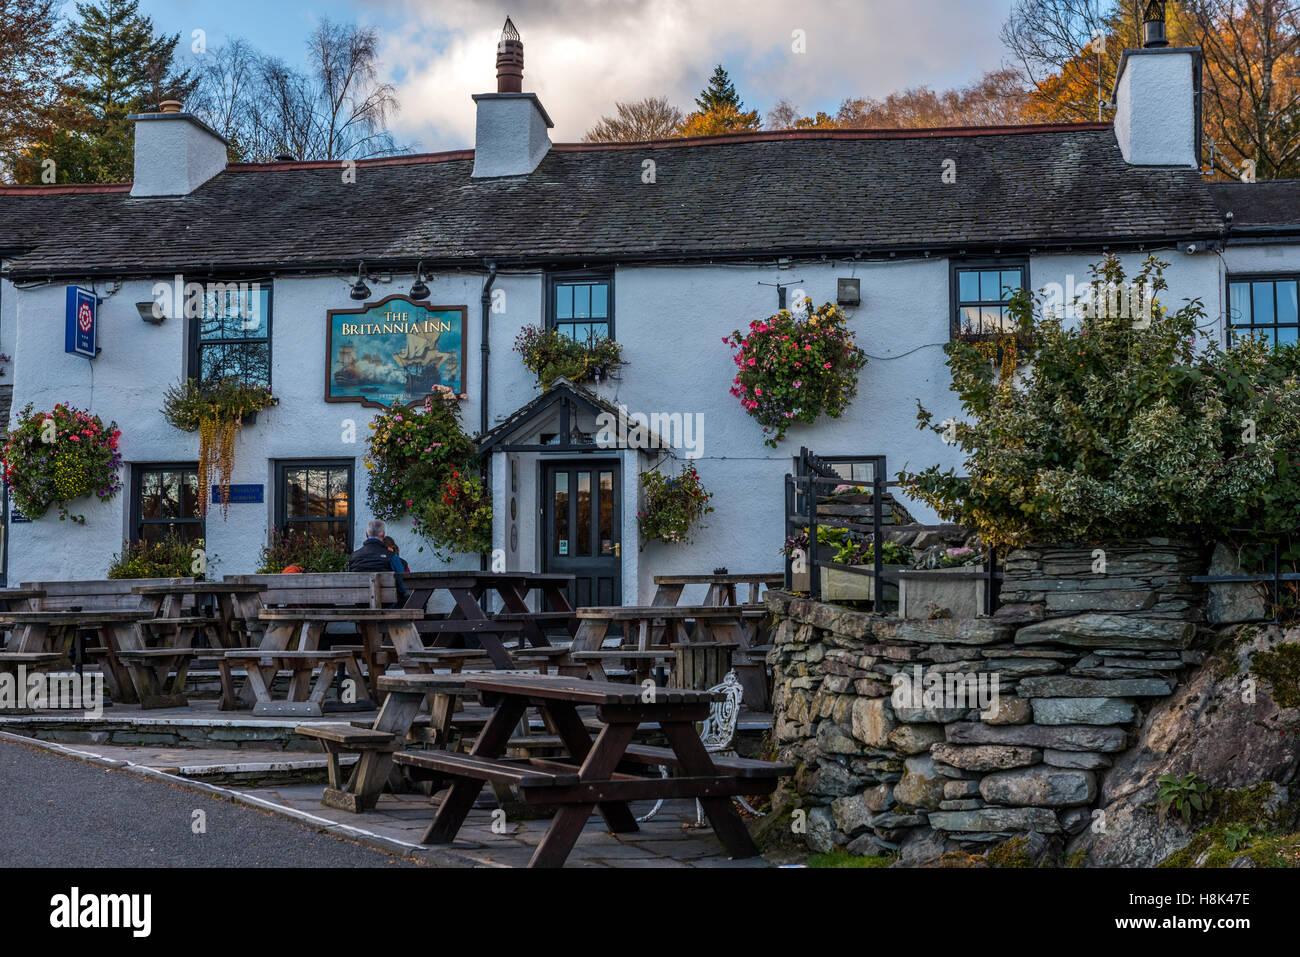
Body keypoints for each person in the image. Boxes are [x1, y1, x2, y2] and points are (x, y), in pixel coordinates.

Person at [349, 519, 409, 601]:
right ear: (383, 535)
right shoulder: (392, 556)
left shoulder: (353, 556)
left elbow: (349, 581)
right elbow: (403, 585)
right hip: (388, 605)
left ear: (366, 535)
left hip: (360, 603)